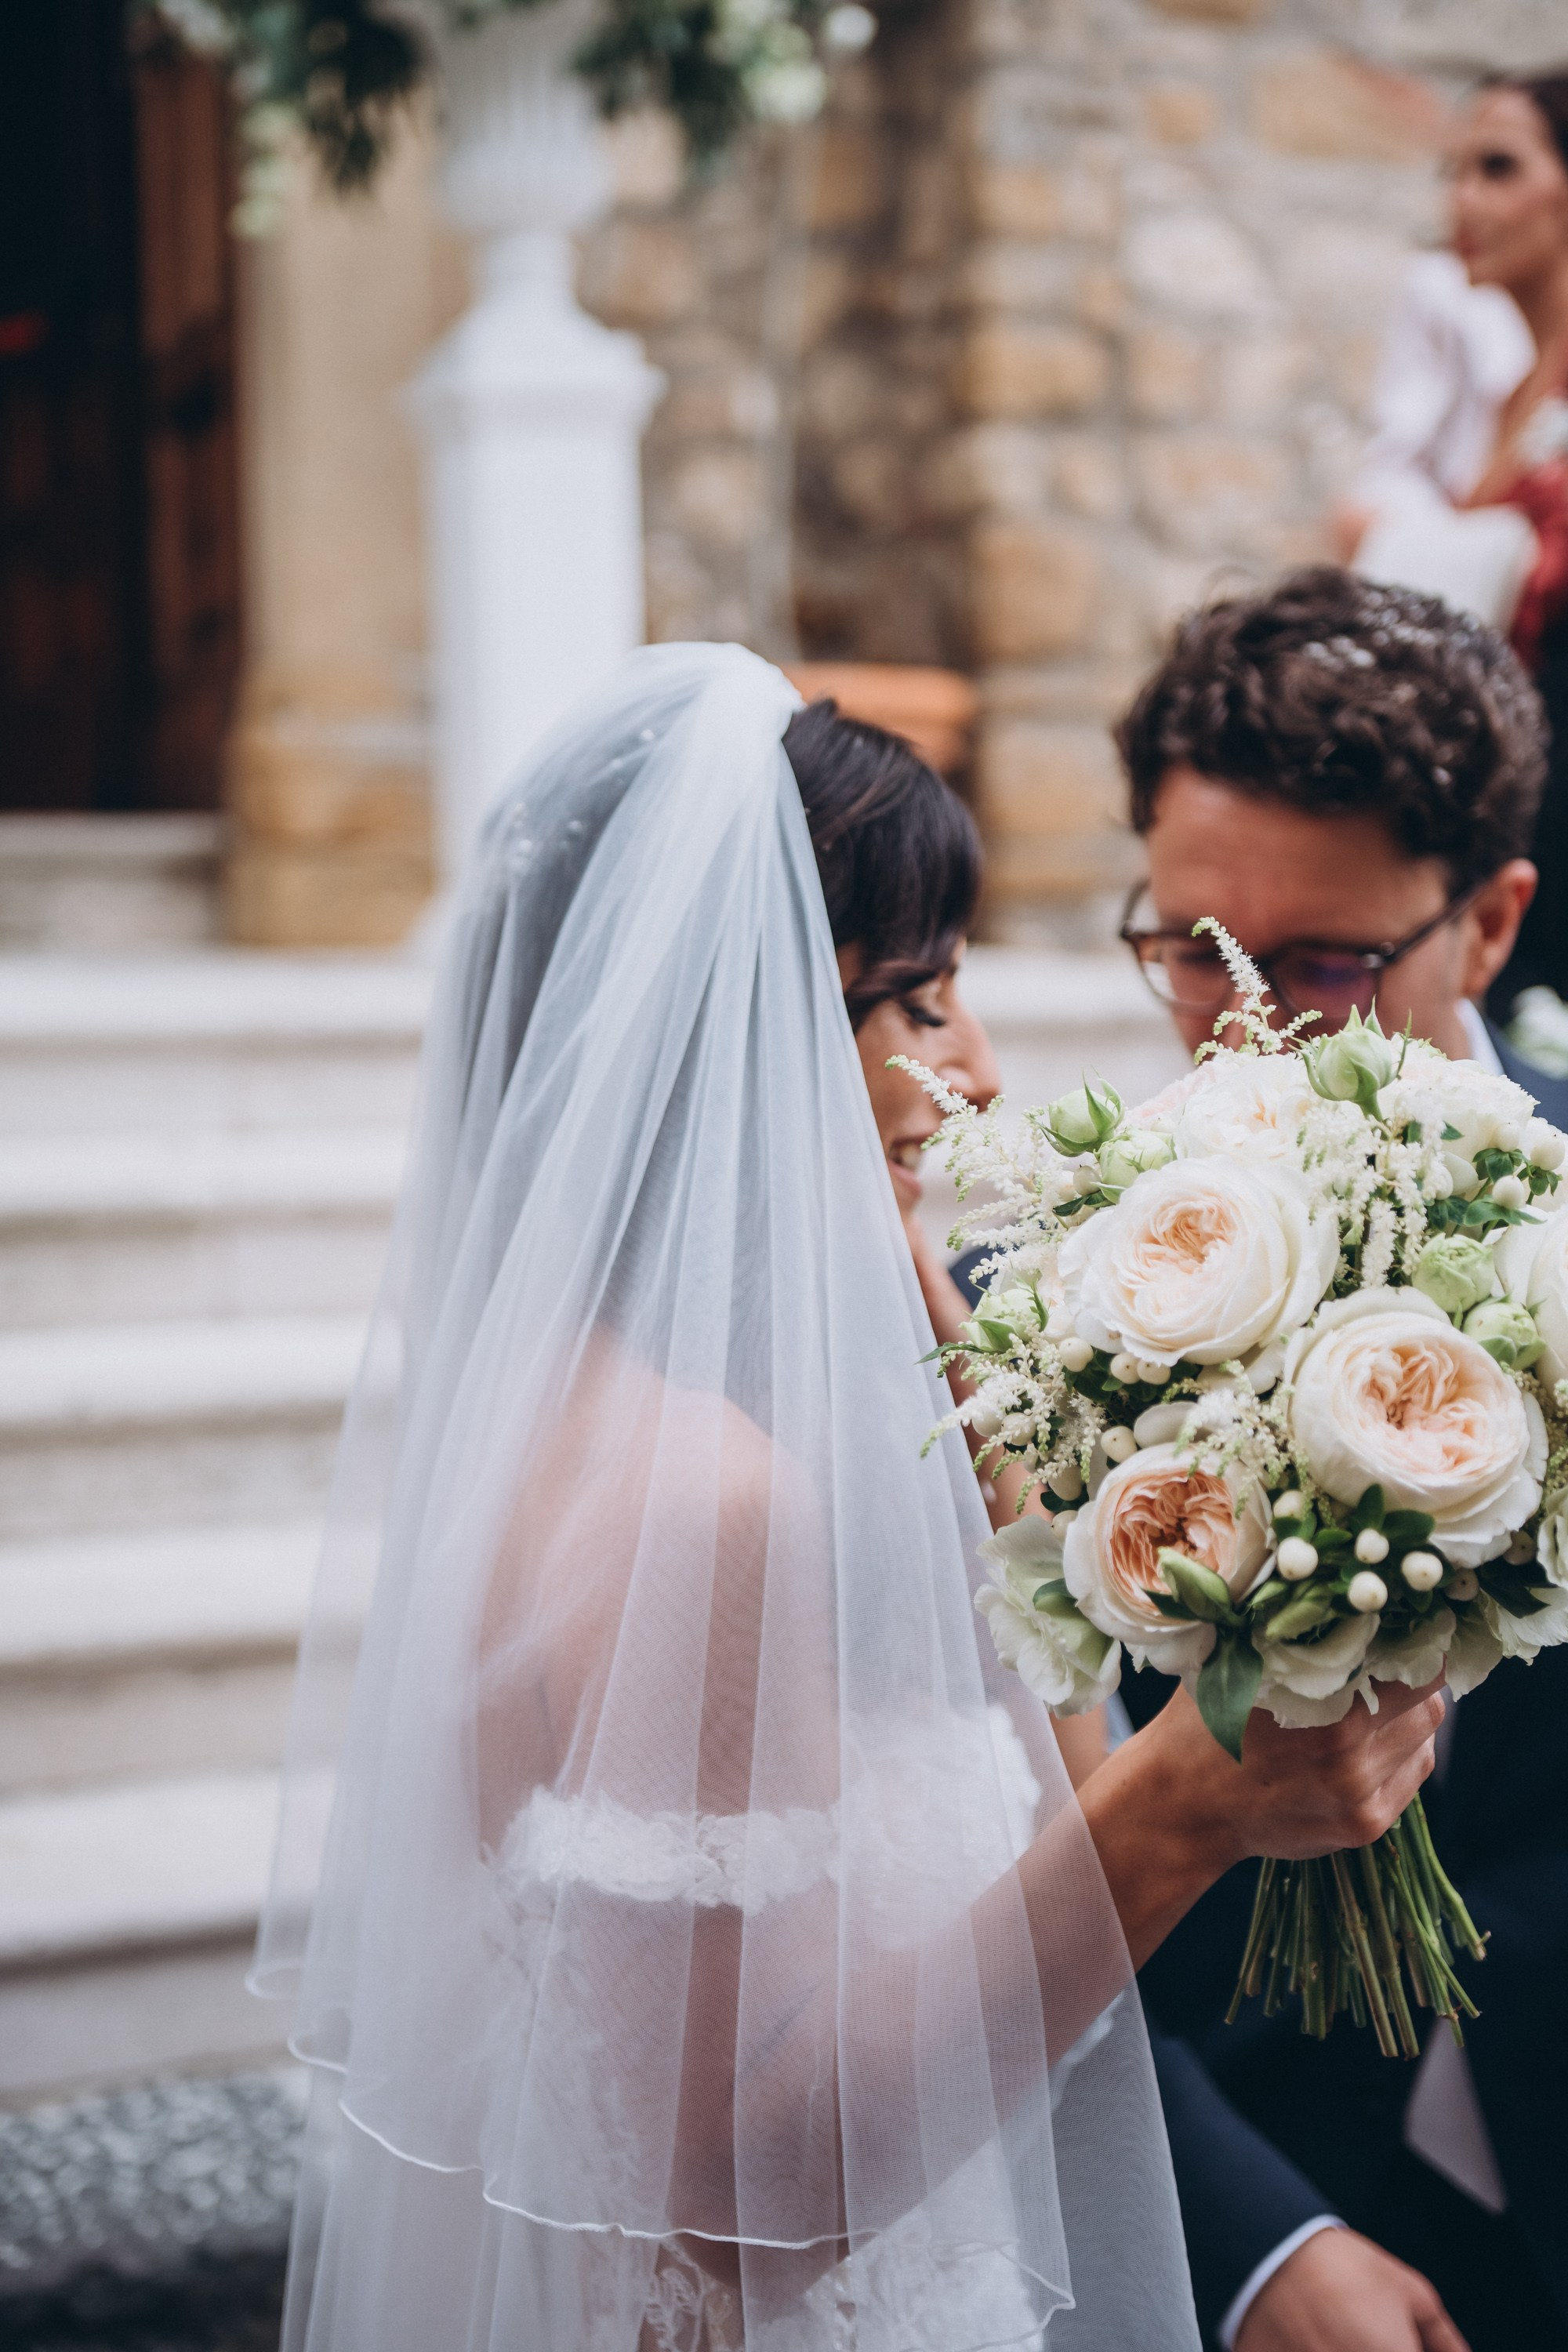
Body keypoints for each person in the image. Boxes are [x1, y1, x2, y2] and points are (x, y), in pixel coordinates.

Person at [251, 642, 1441, 2351]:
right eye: (915, 992)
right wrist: (1183, 1810)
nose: (974, 1059)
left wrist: (1022, 1475)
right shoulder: (702, 1505)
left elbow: (1024, 1825)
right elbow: (742, 2199)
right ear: (741, 1035)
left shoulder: (818, 1386)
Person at [1109, 568, 1568, 2352]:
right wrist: (1245, 2240)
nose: (1238, 1030)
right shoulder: (1049, 1293)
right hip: (1218, 2211)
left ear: (1495, 918)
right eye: (1182, 947)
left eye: (1314, 963)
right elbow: (989, 1847)